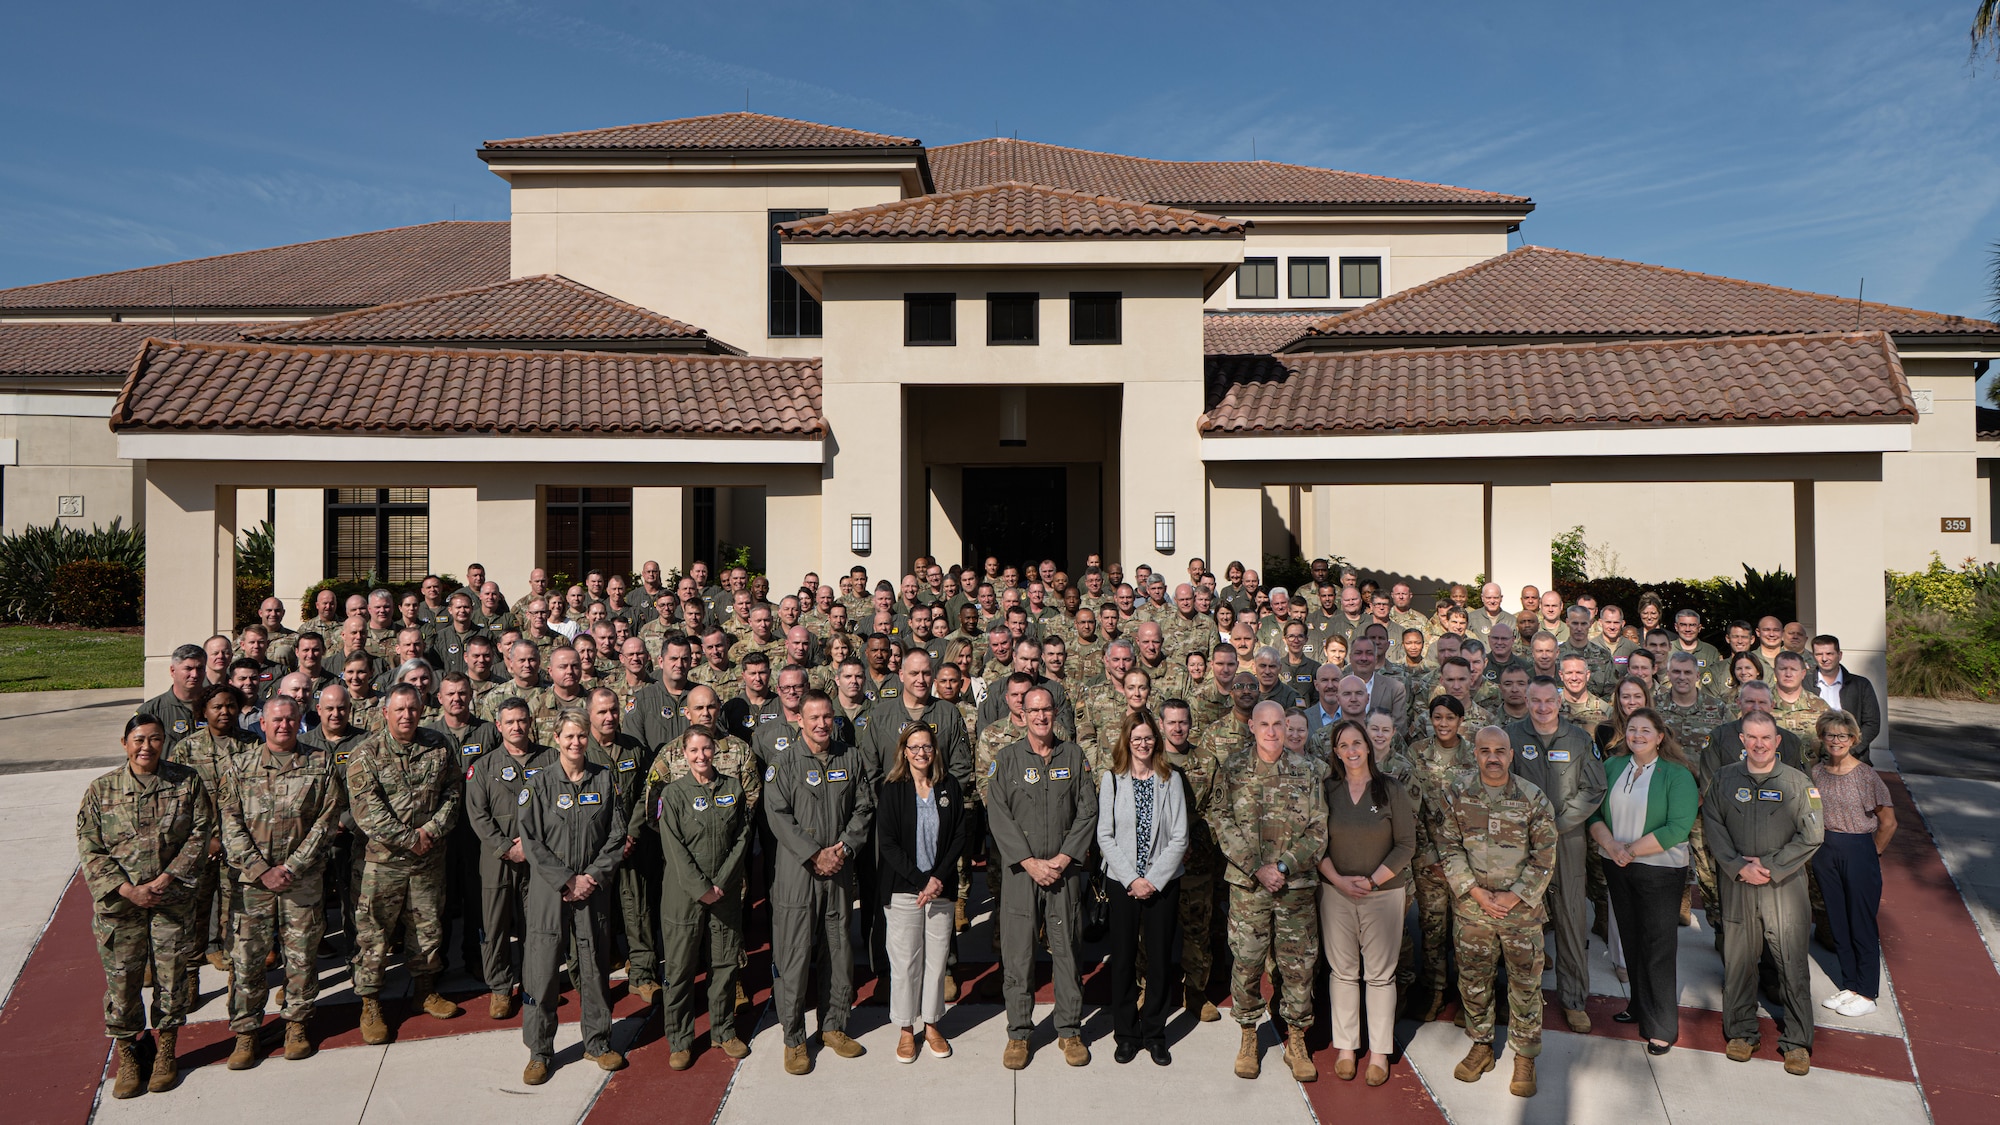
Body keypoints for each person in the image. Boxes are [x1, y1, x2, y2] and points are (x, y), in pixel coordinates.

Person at [79, 713, 218, 1099]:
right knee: (122, 984)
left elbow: (200, 833)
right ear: (124, 743)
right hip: (120, 907)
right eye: (139, 739)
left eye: (155, 739)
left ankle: (166, 1051)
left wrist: (166, 878)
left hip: (170, 900)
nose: (147, 747)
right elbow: (90, 849)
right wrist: (126, 890)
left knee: (172, 980)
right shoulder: (100, 790)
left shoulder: (186, 781)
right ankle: (128, 1055)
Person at [216, 696, 344, 1067]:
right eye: (276, 720)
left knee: (301, 954)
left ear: (299, 721)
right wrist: (261, 869)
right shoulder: (240, 766)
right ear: (263, 723)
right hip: (252, 883)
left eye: (290, 719)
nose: (283, 725)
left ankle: (297, 1023)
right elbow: (230, 822)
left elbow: (327, 820)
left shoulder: (319, 764)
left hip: (300, 879)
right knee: (248, 958)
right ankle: (246, 1032)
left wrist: (292, 866)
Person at [1438, 725, 1558, 1099]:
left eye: (1500, 751)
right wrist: (1473, 890)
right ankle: (1481, 1044)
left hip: (1520, 913)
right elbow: (1449, 847)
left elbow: (1545, 854)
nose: (1492, 757)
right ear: (1474, 753)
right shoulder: (1458, 794)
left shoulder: (1532, 798)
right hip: (1474, 910)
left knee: (1525, 985)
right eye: (1485, 750)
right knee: (1474, 982)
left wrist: (1516, 896)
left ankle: (1525, 1055)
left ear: (1510, 755)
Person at [1703, 710, 1824, 1076]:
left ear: (1777, 742)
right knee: (1739, 961)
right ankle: (1741, 1032)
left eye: (1765, 738)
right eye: (1751, 738)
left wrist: (1770, 866)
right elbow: (1712, 824)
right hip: (1738, 884)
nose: (1758, 744)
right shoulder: (1724, 780)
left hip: (1783, 888)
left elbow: (1814, 834)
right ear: (1742, 740)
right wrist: (1739, 866)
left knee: (1791, 963)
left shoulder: (1800, 783)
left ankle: (1797, 1041)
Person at [1215, 700, 1327, 1082]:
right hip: (1249, 887)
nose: (1273, 731)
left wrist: (1283, 866)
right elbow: (1223, 823)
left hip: (1294, 887)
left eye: (1279, 724)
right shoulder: (1232, 768)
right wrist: (1257, 868)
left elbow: (1318, 829)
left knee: (1298, 966)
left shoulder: (1308, 770)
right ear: (1251, 726)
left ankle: (1297, 1039)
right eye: (1264, 724)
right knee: (1246, 962)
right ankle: (1248, 1034)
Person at [765, 692, 875, 1074]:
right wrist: (814, 854)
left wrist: (842, 849)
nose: (821, 724)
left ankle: (833, 1026)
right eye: (814, 717)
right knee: (794, 955)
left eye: (827, 717)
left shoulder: (850, 757)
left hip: (840, 868)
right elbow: (778, 816)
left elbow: (864, 807)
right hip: (799, 872)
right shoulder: (784, 763)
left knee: (839, 948)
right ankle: (794, 1038)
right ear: (800, 719)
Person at [347, 684, 464, 1043]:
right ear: (385, 713)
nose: (406, 715)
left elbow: (454, 792)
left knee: (427, 928)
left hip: (428, 860)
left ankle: (425, 990)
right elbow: (368, 813)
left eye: (412, 709)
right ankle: (370, 1002)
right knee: (374, 936)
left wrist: (431, 829)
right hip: (382, 865)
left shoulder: (439, 745)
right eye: (399, 710)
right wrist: (411, 838)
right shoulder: (365, 754)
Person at [517, 714, 629, 1084]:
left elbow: (616, 836)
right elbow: (531, 841)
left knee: (595, 966)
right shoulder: (541, 784)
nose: (576, 742)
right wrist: (566, 880)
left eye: (582, 735)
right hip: (551, 892)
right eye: (569, 736)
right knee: (543, 971)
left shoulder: (604, 779)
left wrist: (591, 877)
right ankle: (540, 1051)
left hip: (592, 890)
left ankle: (598, 1041)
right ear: (556, 738)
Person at [1587, 708, 1697, 1054]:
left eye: (1645, 730)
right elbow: (1594, 812)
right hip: (1617, 864)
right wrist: (1611, 846)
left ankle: (1661, 1024)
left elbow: (1677, 827)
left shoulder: (1677, 774)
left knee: (1657, 946)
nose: (1637, 735)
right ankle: (1638, 1004)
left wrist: (1630, 850)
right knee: (1632, 939)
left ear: (1660, 736)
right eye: (1632, 729)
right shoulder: (1613, 766)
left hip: (1660, 870)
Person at [648, 724, 753, 1069]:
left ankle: (723, 1030)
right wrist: (701, 888)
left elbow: (741, 837)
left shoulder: (732, 788)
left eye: (706, 749)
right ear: (683, 754)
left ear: (715, 751)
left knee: (724, 966)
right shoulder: (673, 794)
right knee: (679, 969)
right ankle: (680, 1039)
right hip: (684, 896)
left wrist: (721, 883)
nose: (701, 756)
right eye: (693, 751)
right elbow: (673, 849)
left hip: (724, 892)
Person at [1317, 719, 1416, 1086]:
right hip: (1336, 891)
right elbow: (1316, 841)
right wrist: (1339, 880)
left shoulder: (1391, 789)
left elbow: (1407, 845)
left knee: (1379, 975)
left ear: (1369, 746)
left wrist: (1373, 881)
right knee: (1342, 971)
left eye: (1357, 743)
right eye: (1343, 745)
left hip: (1383, 894)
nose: (1352, 750)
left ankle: (1378, 1051)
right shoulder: (1327, 789)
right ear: (1336, 751)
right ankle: (1346, 1047)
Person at [1506, 677, 1606, 1035]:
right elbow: (1502, 783)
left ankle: (1575, 1000)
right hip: (1521, 843)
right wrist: (1528, 825)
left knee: (1570, 920)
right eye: (1536, 701)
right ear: (1526, 699)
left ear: (1560, 701)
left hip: (1567, 841)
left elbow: (1594, 787)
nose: (1543, 708)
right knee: (1517, 921)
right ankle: (1516, 999)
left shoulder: (1579, 739)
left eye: (1550, 701)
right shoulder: (1512, 737)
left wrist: (1558, 823)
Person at [1097, 711, 1188, 1066]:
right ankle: (1125, 1033)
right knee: (1121, 960)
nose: (1143, 743)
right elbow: (1104, 834)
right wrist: (1132, 878)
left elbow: (1179, 836)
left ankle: (1154, 1033)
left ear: (1157, 740)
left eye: (1149, 737)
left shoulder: (1171, 779)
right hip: (1123, 883)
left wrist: (1153, 879)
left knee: (1160, 961)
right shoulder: (1112, 779)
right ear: (1126, 740)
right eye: (1137, 738)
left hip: (1162, 883)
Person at [877, 723, 970, 1064]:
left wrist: (937, 879)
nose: (921, 753)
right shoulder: (891, 789)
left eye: (927, 747)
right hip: (905, 889)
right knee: (905, 962)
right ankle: (905, 1028)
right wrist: (920, 880)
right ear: (904, 751)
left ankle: (931, 1023)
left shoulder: (949, 786)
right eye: (914, 747)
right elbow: (887, 843)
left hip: (940, 889)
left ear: (935, 751)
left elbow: (959, 834)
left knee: (936, 961)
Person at [464, 697, 551, 1019]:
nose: (517, 727)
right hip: (497, 859)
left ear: (531, 722)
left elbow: (559, 806)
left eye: (522, 720)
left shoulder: (551, 759)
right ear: (498, 726)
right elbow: (478, 815)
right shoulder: (484, 767)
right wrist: (507, 847)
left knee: (535, 925)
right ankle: (500, 988)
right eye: (509, 722)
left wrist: (532, 845)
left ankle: (533, 982)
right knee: (495, 925)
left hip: (539, 858)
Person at [1810, 710, 1896, 1019]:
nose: (1836, 741)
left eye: (1843, 736)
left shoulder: (1865, 775)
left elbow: (1888, 822)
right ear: (1822, 737)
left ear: (1854, 739)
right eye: (1830, 735)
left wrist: (1873, 853)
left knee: (1861, 921)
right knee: (1837, 920)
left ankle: (1867, 991)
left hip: (1858, 849)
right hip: (1825, 849)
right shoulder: (1816, 773)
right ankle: (1850, 984)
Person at [1809, 637, 1883, 761]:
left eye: (1829, 653)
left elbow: (1872, 723)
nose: (1824, 658)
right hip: (1815, 760)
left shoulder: (1861, 685)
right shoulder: (1804, 684)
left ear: (1840, 655)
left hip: (1853, 757)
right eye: (1819, 654)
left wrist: (1850, 749)